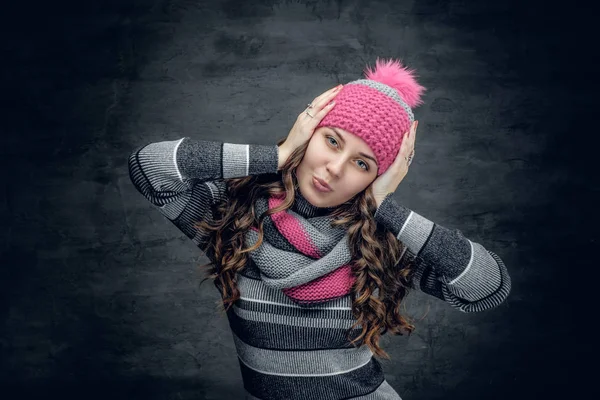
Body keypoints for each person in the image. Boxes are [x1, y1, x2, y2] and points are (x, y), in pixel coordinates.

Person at [128, 58, 511, 400]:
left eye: (362, 164)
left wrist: (384, 207)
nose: (335, 168)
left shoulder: (380, 240)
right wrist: (277, 156)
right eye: (331, 141)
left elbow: (488, 287)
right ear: (309, 132)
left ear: (380, 178)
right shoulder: (236, 216)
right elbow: (148, 168)